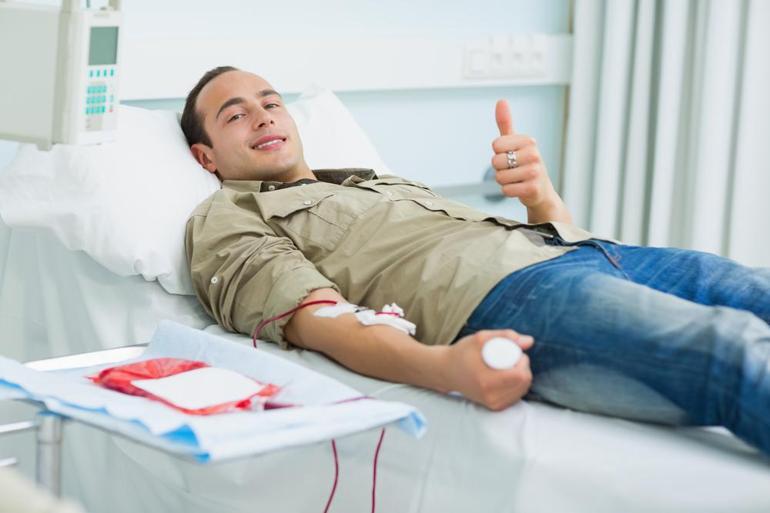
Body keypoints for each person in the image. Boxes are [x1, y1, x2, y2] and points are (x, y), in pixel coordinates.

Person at [181, 66, 770, 455]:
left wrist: (539, 195)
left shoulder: (375, 181)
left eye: (271, 102)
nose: (263, 116)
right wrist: (444, 368)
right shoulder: (227, 218)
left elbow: (545, 231)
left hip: (586, 253)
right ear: (206, 157)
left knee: (755, 291)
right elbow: (321, 321)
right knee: (730, 349)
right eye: (235, 114)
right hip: (508, 299)